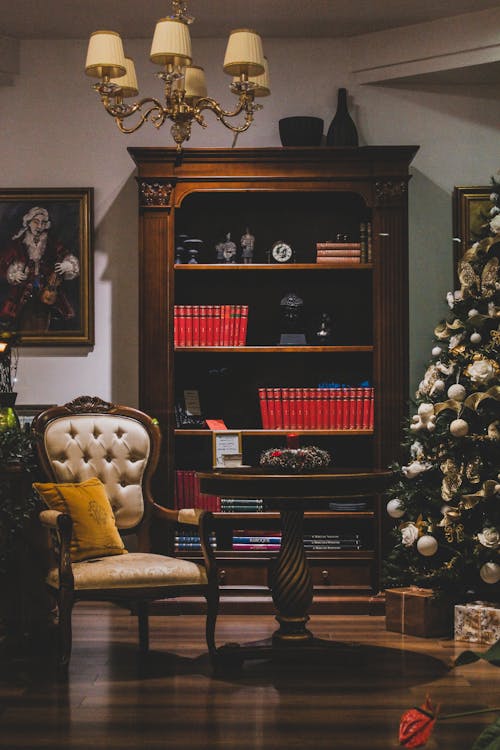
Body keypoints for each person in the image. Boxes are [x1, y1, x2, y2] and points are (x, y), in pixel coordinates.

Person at [0, 206, 80, 332]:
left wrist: (68, 265)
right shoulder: (17, 243)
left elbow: (66, 255)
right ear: (28, 222)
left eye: (43, 223)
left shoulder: (51, 243)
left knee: (48, 323)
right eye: (36, 222)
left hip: (47, 293)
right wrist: (13, 274)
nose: (39, 226)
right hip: (22, 295)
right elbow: (2, 264)